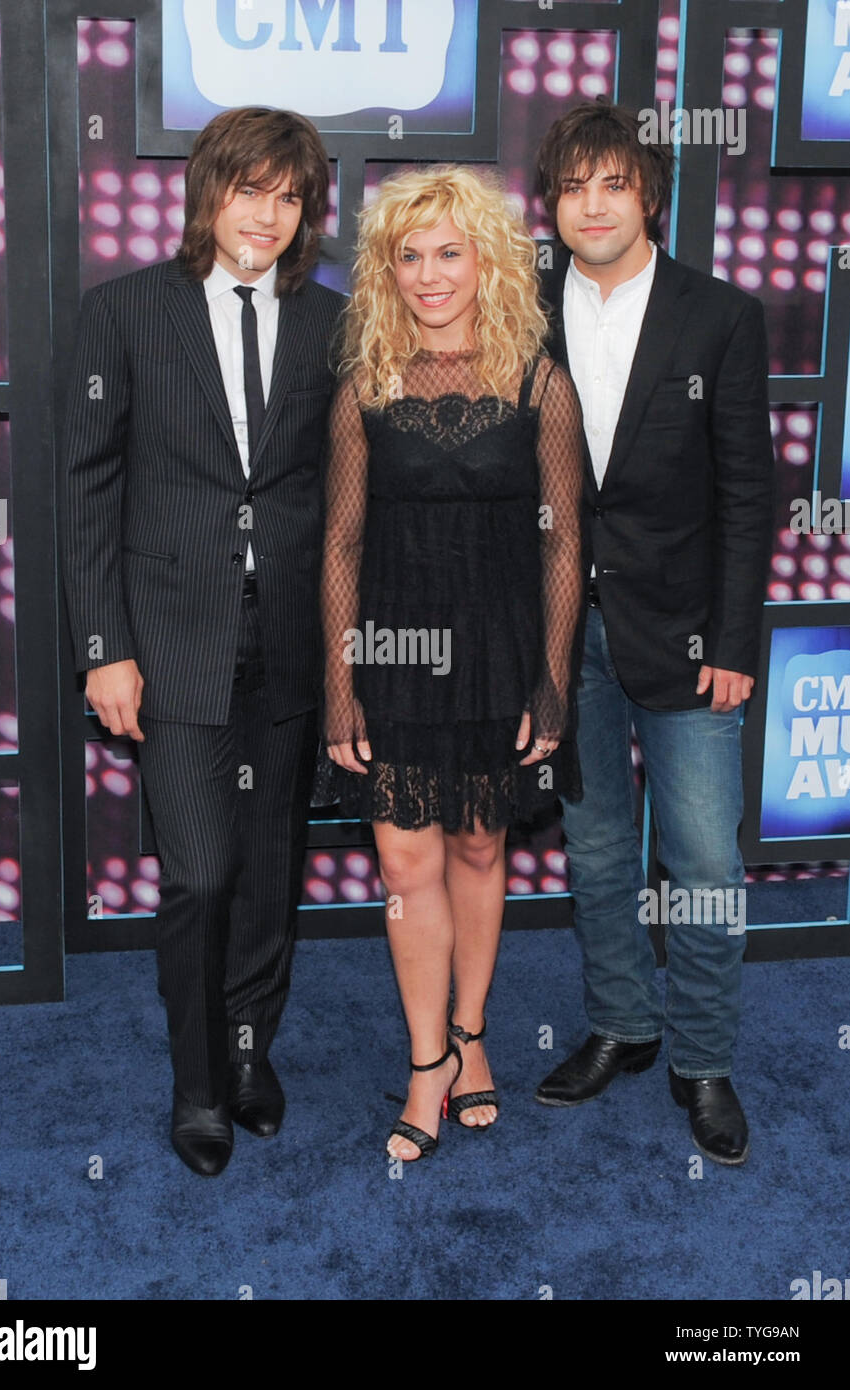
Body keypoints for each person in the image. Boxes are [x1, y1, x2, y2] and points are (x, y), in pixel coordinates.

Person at [61, 107, 345, 1176]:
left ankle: (247, 1049)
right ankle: (195, 1085)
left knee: (271, 868)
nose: (266, 215)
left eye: (288, 196)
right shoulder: (123, 314)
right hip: (169, 644)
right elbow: (87, 491)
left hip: (288, 647)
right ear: (206, 192)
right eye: (248, 190)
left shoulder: (331, 323)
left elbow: (338, 488)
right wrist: (103, 645)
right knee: (201, 874)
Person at [314, 165, 584, 1162]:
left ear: (487, 260)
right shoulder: (365, 382)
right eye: (409, 255)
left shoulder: (534, 378)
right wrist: (341, 679)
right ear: (388, 271)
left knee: (477, 847)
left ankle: (471, 1037)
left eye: (449, 252)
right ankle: (426, 1059)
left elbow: (562, 540)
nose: (430, 275)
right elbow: (339, 542)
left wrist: (550, 671)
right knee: (402, 858)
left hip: (502, 648)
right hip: (389, 645)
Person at [533, 99, 773, 1165]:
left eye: (611, 183)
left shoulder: (716, 315)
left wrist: (730, 640)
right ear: (552, 204)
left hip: (682, 634)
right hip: (557, 636)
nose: (591, 204)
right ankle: (622, 1025)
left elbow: (745, 493)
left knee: (702, 858)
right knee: (591, 850)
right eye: (572, 186)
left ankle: (703, 1058)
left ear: (649, 197)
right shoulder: (520, 307)